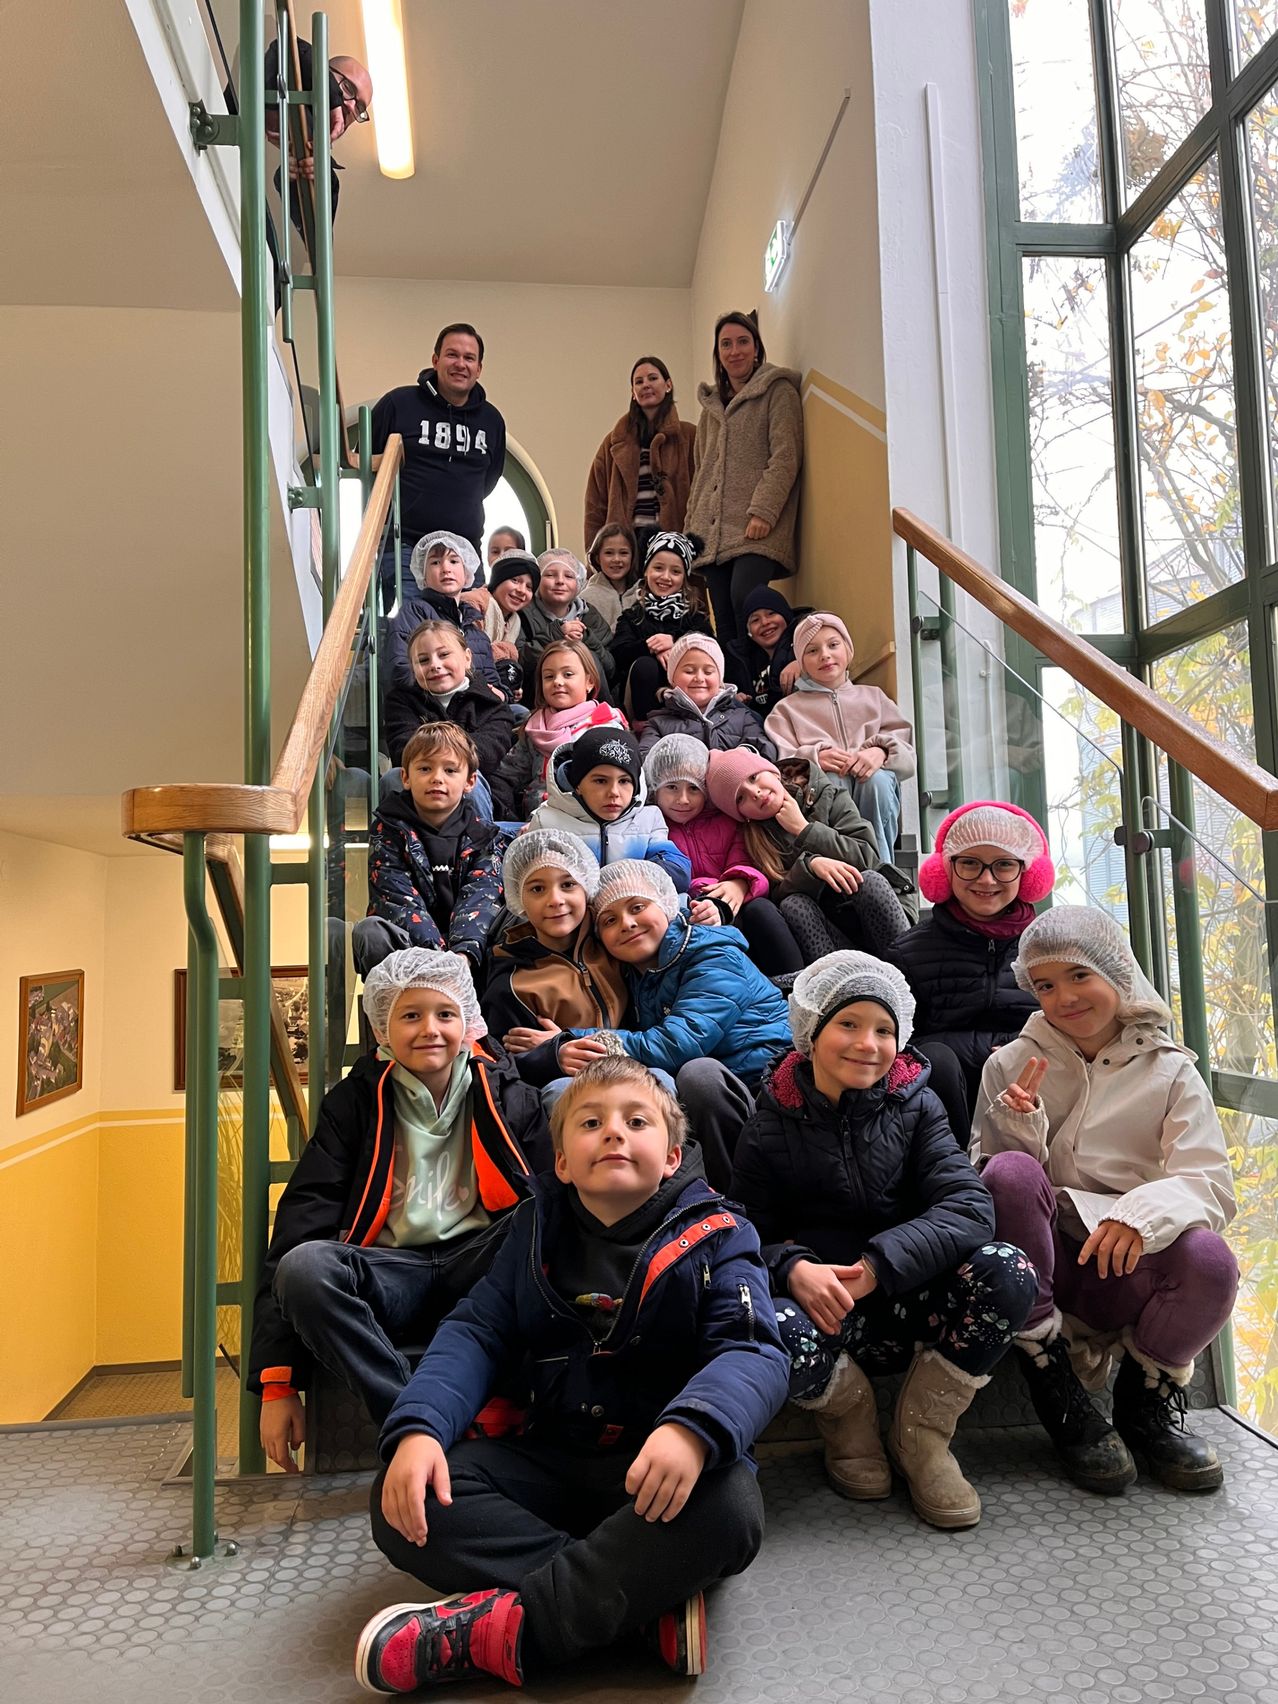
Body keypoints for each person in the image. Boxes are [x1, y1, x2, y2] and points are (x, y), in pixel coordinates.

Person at [358, 1057, 788, 1691]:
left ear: (672, 1157)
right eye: (591, 1122)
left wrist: (694, 1430)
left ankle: (500, 1634)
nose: (613, 1132)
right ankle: (637, 1603)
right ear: (562, 1162)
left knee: (729, 1512)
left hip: (663, 1472)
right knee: (405, 1498)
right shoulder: (533, 1229)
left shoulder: (722, 1234)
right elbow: (476, 1331)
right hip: (552, 1457)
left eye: (635, 1121)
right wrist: (419, 1428)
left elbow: (752, 1350)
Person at [732, 952, 1036, 1529]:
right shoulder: (769, 1120)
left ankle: (923, 1436)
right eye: (848, 1024)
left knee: (1009, 1269)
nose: (868, 1044)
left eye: (884, 1029)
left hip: (918, 1300)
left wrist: (879, 1262)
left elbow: (970, 1206)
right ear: (811, 1030)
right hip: (829, 1315)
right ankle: (849, 1421)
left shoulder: (917, 1105)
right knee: (755, 1313)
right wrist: (793, 1266)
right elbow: (744, 1231)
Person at [973, 907, 1239, 1494]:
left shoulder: (1171, 1072)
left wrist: (1139, 1215)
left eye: (1078, 975)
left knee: (1211, 1259)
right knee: (1010, 1172)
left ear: (1117, 973)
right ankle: (1051, 1379)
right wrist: (1019, 1127)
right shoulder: (1009, 1065)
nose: (1063, 997)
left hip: (1128, 1264)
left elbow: (1210, 1182)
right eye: (1044, 984)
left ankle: (1144, 1410)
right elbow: (993, 1188)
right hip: (1047, 1264)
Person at [250, 949, 548, 1464]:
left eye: (445, 1014)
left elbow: (549, 1193)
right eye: (410, 1015)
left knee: (543, 1219)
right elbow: (302, 1223)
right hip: (392, 1272)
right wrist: (278, 1384)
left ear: (469, 1024)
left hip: (480, 1265)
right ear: (383, 1028)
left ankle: (506, 1393)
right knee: (305, 1268)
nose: (430, 1029)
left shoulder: (507, 1092)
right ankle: (413, 1418)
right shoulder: (354, 1103)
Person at [558, 860, 792, 1188]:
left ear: (667, 905)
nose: (626, 923)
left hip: (768, 1095)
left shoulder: (714, 954)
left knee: (699, 1077)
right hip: (724, 1100)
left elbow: (678, 1043)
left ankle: (738, 1200)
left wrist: (572, 1039)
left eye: (637, 906)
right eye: (609, 920)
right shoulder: (637, 975)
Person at [885, 802, 1053, 1143]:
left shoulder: (1052, 946)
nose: (986, 879)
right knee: (936, 1059)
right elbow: (896, 1046)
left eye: (1004, 865)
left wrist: (1019, 1050)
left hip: (1039, 1093)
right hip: (946, 1105)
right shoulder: (907, 952)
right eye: (970, 864)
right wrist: (994, 1051)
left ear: (1027, 873)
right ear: (944, 870)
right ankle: (961, 1175)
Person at [705, 748, 916, 961]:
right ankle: (837, 986)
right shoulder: (755, 839)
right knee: (794, 904)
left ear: (773, 771)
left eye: (754, 777)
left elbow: (867, 857)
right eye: (741, 798)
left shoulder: (826, 794)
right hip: (833, 932)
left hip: (877, 912)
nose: (755, 792)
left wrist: (805, 830)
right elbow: (777, 894)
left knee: (870, 880)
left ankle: (908, 969)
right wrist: (811, 866)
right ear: (741, 815)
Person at [684, 311, 803, 644]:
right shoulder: (710, 411)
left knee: (747, 602)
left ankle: (764, 681)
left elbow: (786, 456)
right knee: (722, 616)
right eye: (726, 344)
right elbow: (701, 476)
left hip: (755, 526)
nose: (734, 351)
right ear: (718, 355)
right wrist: (691, 534)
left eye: (742, 342)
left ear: (756, 348)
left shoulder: (778, 392)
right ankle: (738, 693)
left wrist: (764, 510)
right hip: (711, 535)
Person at [355, 725, 509, 980]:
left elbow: (482, 895)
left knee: (513, 919)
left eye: (450, 770)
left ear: (470, 781)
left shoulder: (485, 834)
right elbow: (397, 898)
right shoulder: (387, 828)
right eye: (425, 768)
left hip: (470, 956)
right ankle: (391, 1014)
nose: (437, 778)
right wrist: (439, 959)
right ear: (405, 777)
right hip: (412, 955)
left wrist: (462, 955)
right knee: (370, 931)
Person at [645, 735, 803, 977]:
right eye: (672, 787)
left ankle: (793, 981)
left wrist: (739, 884)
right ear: (656, 789)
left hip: (736, 904)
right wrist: (705, 894)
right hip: (692, 911)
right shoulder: (654, 828)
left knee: (761, 910)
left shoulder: (725, 822)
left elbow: (747, 862)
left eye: (693, 788)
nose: (683, 799)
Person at [484, 832, 630, 1091]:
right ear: (519, 898)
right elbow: (502, 1064)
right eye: (537, 889)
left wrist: (565, 1039)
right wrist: (551, 1057)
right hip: (571, 1092)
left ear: (586, 887)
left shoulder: (618, 941)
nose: (555, 900)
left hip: (636, 1071)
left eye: (568, 884)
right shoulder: (511, 981)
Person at [766, 612, 915, 863]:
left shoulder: (874, 697)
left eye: (833, 645)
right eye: (812, 651)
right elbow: (779, 762)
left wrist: (880, 751)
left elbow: (907, 754)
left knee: (876, 781)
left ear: (848, 650)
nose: (825, 655)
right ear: (801, 662)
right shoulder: (786, 709)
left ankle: (881, 867)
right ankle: (840, 867)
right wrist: (813, 759)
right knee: (832, 780)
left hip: (873, 793)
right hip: (825, 803)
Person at [370, 325, 507, 597]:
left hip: (464, 551)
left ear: (479, 368)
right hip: (404, 546)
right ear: (435, 360)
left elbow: (488, 480)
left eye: (469, 358)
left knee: (469, 635)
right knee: (414, 633)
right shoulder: (398, 404)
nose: (460, 364)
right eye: (452, 355)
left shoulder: (492, 420)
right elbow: (367, 466)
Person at [526, 727, 691, 889]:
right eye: (600, 781)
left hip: (629, 910)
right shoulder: (547, 821)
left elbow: (678, 872)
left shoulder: (649, 818)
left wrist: (629, 880)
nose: (614, 792)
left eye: (624, 781)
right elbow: (531, 881)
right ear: (577, 785)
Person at [490, 641, 626, 820]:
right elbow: (506, 774)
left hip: (585, 824)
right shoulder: (535, 726)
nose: (557, 682)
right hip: (533, 824)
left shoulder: (605, 727)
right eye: (548, 676)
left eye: (568, 674)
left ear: (589, 681)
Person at [583, 355, 697, 559]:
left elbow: (704, 494)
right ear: (633, 393)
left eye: (653, 378)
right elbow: (595, 503)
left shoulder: (690, 436)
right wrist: (594, 553)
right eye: (639, 381)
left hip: (674, 544)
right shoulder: (613, 443)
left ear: (668, 385)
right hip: (627, 547)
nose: (646, 385)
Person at [383, 620, 517, 779]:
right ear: (413, 669)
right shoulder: (400, 703)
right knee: (393, 778)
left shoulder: (493, 706)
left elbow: (486, 757)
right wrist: (460, 747)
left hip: (476, 791)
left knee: (473, 776)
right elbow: (404, 752)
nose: (434, 665)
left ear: (467, 658)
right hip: (419, 791)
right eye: (423, 660)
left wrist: (428, 746)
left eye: (444, 654)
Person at [609, 532, 715, 722]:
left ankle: (693, 718)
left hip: (687, 698)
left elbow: (712, 646)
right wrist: (652, 646)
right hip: (642, 703)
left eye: (675, 571)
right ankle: (644, 727)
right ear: (646, 571)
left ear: (684, 577)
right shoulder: (632, 616)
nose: (666, 577)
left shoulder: (694, 615)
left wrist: (676, 643)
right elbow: (618, 653)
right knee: (645, 665)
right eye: (658, 568)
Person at [385, 532, 505, 699]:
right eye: (435, 562)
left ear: (467, 574)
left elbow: (495, 685)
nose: (446, 569)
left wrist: (503, 694)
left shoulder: (476, 630)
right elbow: (401, 670)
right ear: (423, 576)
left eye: (454, 561)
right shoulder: (413, 614)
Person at [638, 633, 776, 757]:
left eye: (708, 672)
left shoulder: (742, 717)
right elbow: (645, 759)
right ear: (672, 678)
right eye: (689, 671)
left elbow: (765, 748)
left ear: (720, 679)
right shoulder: (657, 723)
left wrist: (742, 755)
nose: (699, 678)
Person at [517, 549, 616, 696]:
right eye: (550, 575)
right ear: (537, 580)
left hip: (589, 699)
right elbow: (519, 661)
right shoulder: (522, 614)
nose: (560, 581)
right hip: (540, 697)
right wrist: (557, 634)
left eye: (569, 576)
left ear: (579, 583)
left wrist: (587, 639)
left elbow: (610, 669)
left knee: (590, 657)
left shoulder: (591, 616)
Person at [728, 585, 810, 716]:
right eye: (755, 620)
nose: (765, 622)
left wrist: (804, 664)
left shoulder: (806, 644)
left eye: (771, 613)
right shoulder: (743, 661)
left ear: (786, 616)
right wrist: (737, 700)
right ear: (748, 632)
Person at [478, 550, 539, 703]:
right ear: (498, 579)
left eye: (529, 587)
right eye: (515, 580)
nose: (521, 590)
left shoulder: (515, 620)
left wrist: (512, 686)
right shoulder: (477, 603)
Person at [582, 523, 641, 631]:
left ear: (633, 556)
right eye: (609, 553)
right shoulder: (586, 600)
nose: (616, 559)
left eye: (623, 553)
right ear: (597, 558)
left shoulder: (643, 594)